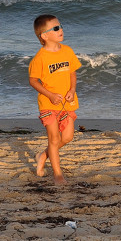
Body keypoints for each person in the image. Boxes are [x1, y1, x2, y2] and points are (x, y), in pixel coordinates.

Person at [28, 14, 80, 185]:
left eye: (61, 26)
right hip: (48, 104)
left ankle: (43, 155)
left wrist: (72, 89)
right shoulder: (40, 57)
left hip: (67, 103)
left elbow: (72, 72)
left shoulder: (67, 51)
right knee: (54, 139)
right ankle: (58, 175)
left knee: (67, 137)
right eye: (56, 28)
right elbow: (33, 80)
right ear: (44, 35)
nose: (61, 30)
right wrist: (49, 95)